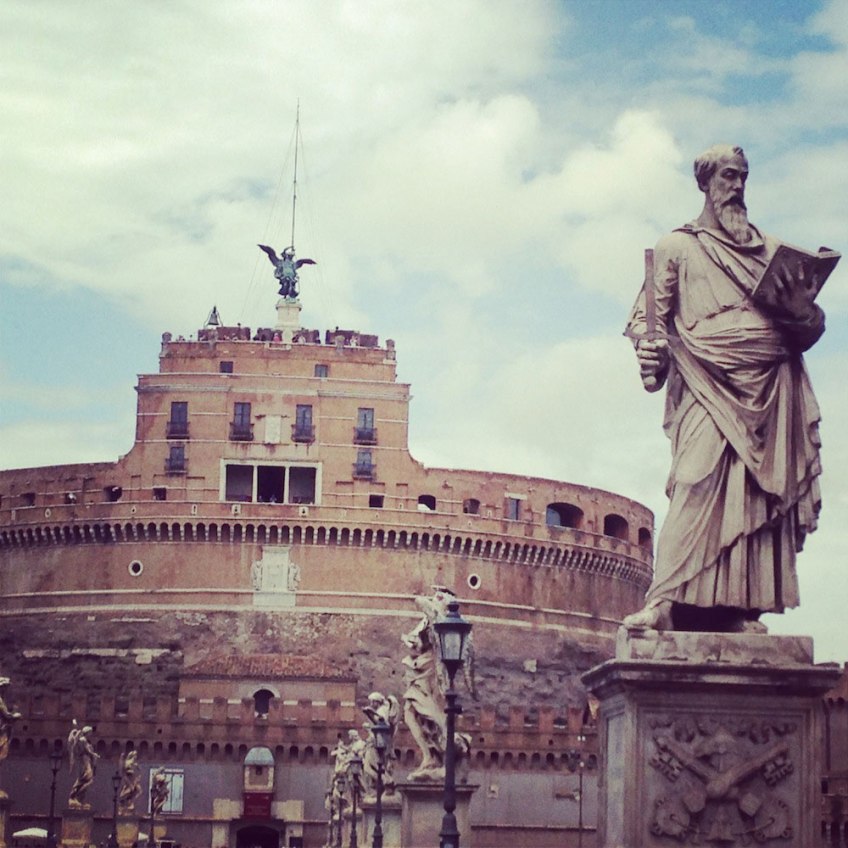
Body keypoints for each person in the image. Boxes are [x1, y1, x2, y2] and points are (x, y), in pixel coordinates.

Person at [624, 144, 825, 632]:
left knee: (752, 496)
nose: (736, 187)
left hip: (770, 390)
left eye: (743, 177)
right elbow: (647, 320)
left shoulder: (772, 252)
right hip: (704, 383)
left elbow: (810, 328)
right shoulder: (678, 247)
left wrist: (802, 312)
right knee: (695, 481)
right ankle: (666, 601)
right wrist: (651, 357)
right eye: (728, 177)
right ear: (706, 182)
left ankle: (740, 607)